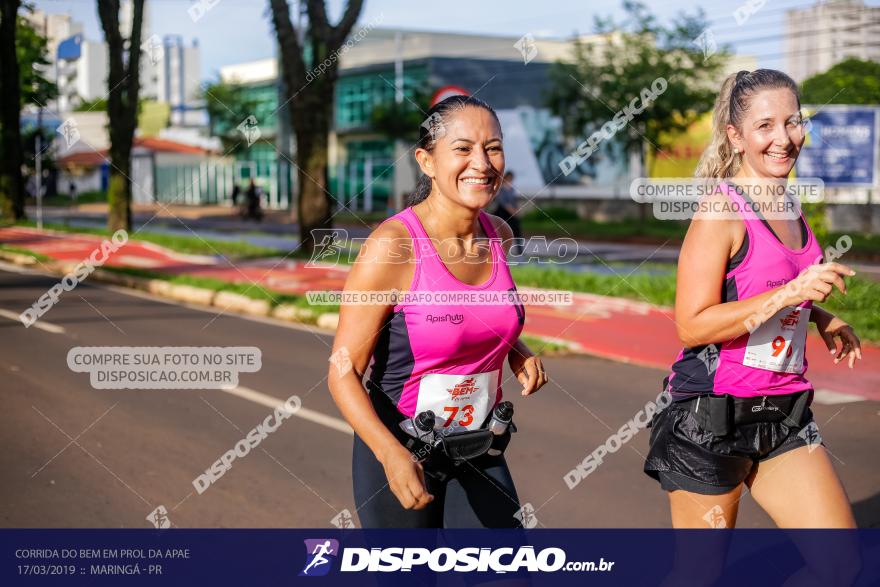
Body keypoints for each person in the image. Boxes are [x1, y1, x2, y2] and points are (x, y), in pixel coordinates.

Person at [644, 70, 862, 533]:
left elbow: (764, 285)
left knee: (841, 565)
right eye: (765, 126)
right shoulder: (721, 211)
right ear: (736, 137)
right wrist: (791, 294)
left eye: (793, 121)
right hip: (712, 420)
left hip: (783, 414)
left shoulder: (790, 205)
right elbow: (693, 325)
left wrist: (820, 315)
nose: (783, 138)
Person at [328, 95, 549, 528]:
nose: (482, 163)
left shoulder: (497, 234)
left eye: (493, 147)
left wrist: (514, 349)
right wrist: (389, 453)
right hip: (403, 446)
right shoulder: (394, 246)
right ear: (426, 161)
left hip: (477, 445)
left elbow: (473, 315)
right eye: (463, 149)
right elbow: (342, 370)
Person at [493, 171, 522, 254]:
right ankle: (498, 250)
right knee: (500, 232)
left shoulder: (512, 189)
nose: (510, 180)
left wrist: (516, 210)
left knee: (517, 231)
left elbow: (514, 201)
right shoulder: (501, 189)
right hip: (502, 213)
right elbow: (502, 202)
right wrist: (512, 210)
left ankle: (519, 250)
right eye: (509, 178)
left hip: (512, 213)